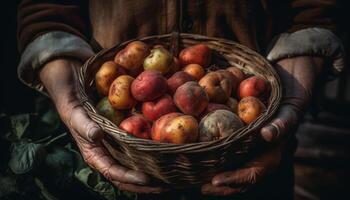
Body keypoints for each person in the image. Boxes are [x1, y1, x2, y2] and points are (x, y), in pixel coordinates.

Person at [17, 0, 344, 199]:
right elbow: (46, 9)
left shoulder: (197, 85)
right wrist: (69, 97)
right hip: (119, 157)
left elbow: (317, 8)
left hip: (255, 143)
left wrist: (295, 92)